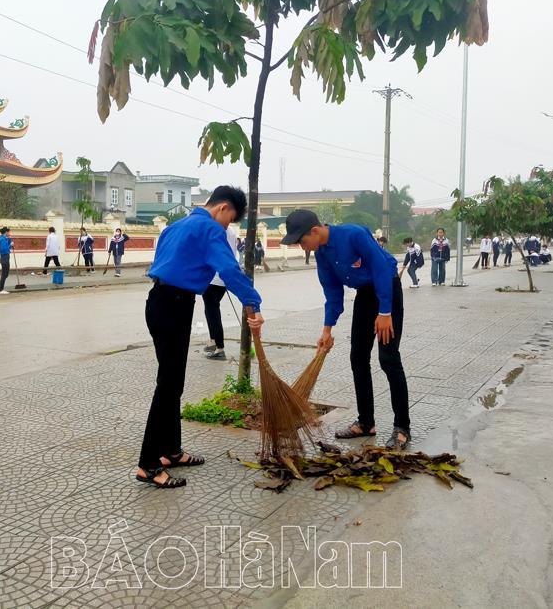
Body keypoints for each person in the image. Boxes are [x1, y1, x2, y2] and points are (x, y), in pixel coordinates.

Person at [137, 186, 264, 489]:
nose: (227, 226)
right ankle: (148, 464)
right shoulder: (210, 229)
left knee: (173, 382)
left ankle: (170, 451)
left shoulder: (174, 227)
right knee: (168, 385)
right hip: (174, 306)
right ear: (223, 208)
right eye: (229, 220)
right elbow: (229, 269)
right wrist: (253, 302)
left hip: (159, 302)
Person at [282, 209, 411, 450]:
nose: (302, 247)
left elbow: (381, 268)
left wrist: (385, 312)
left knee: (388, 358)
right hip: (365, 295)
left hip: (387, 289)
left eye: (302, 241)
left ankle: (402, 427)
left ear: (314, 230)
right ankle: (366, 422)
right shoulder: (322, 254)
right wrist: (327, 330)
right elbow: (333, 293)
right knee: (358, 357)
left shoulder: (353, 234)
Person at [202, 225, 239, 361]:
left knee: (212, 312)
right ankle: (213, 341)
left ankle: (219, 347)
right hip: (223, 277)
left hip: (214, 277)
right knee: (211, 310)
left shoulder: (216, 229)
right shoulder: (231, 231)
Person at [0, 227, 13, 294]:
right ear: (6, 232)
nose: (9, 233)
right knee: (4, 274)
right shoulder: (2, 239)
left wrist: (9, 239)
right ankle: (1, 290)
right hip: (4, 257)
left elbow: (7, 245)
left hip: (5, 257)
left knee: (6, 274)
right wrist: (10, 245)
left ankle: (1, 289)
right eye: (8, 232)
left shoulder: (4, 238)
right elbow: (4, 249)